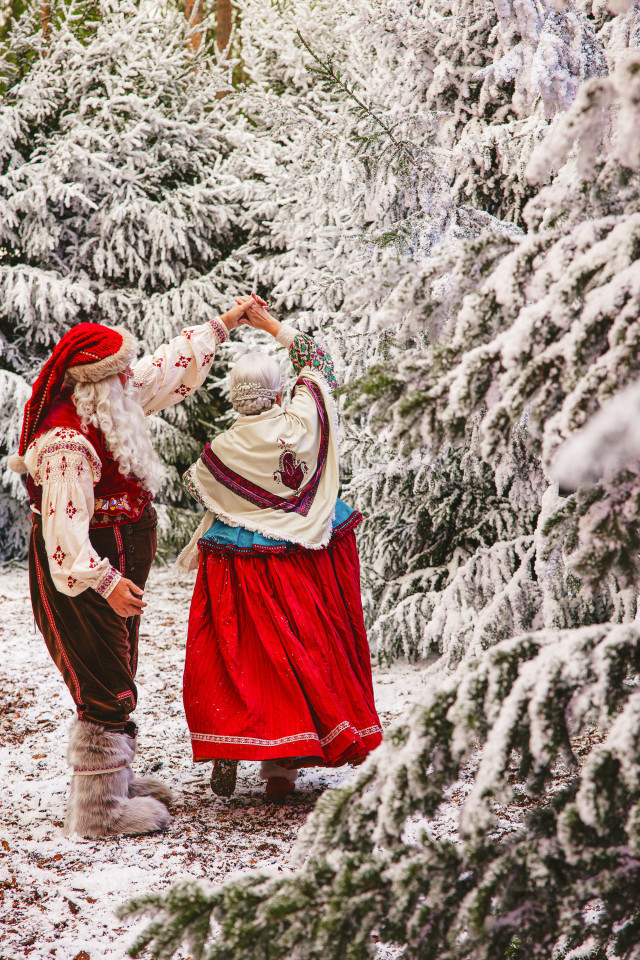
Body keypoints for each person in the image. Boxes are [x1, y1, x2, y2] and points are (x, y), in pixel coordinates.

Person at [9, 298, 255, 836]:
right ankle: (99, 813)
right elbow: (65, 542)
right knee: (104, 680)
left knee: (118, 668)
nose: (132, 380)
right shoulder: (66, 443)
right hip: (84, 576)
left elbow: (165, 368)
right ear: (97, 383)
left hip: (117, 562)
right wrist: (108, 582)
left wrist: (226, 323)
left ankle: (116, 784)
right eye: (122, 373)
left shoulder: (107, 400)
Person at [179, 298, 383, 801]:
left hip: (243, 558)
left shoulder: (221, 451)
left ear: (234, 398)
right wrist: (271, 325)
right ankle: (285, 765)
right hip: (310, 551)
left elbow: (198, 488)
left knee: (243, 653)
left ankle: (231, 744)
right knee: (305, 647)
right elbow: (321, 362)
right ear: (277, 392)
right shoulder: (302, 420)